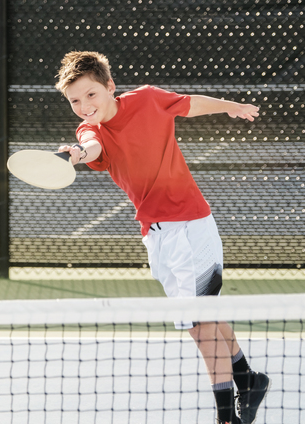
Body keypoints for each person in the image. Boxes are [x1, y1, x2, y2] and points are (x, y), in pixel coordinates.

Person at [55, 51, 269, 424]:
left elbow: (190, 104)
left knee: (200, 325)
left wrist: (230, 106)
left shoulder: (149, 99)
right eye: (75, 100)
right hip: (158, 237)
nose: (84, 106)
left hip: (194, 225)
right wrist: (75, 154)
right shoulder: (89, 132)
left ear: (109, 87)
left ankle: (225, 417)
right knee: (207, 316)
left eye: (91, 95)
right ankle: (248, 379)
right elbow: (92, 147)